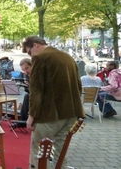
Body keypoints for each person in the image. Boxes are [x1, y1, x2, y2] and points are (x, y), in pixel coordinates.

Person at [22, 36, 85, 168]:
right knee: (60, 151)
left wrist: (31, 115)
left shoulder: (40, 58)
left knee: (39, 150)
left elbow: (36, 91)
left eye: (29, 52)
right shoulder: (67, 57)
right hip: (71, 112)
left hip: (50, 115)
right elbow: (78, 86)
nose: (31, 55)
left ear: (35, 45)